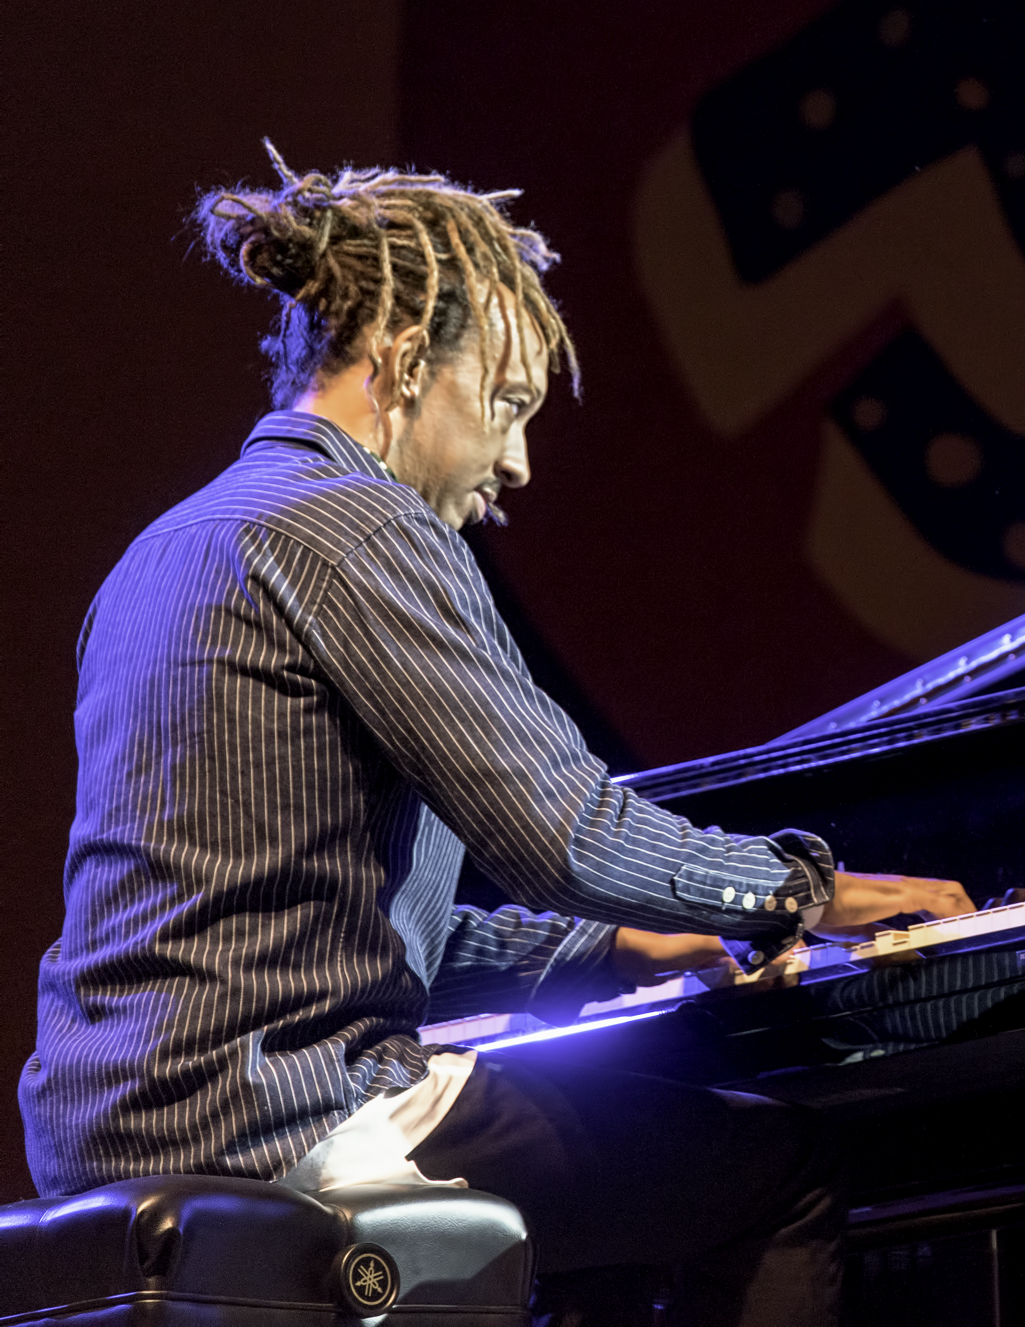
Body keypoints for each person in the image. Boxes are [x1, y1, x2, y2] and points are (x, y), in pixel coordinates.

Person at [21, 149, 972, 1327]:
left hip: (100, 1133)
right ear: (408, 356)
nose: (515, 463)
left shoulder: (160, 553)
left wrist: (603, 947)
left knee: (613, 1187)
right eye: (508, 405)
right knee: (781, 1170)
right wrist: (805, 894)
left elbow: (287, 915)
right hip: (293, 1121)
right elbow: (563, 828)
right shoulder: (359, 523)